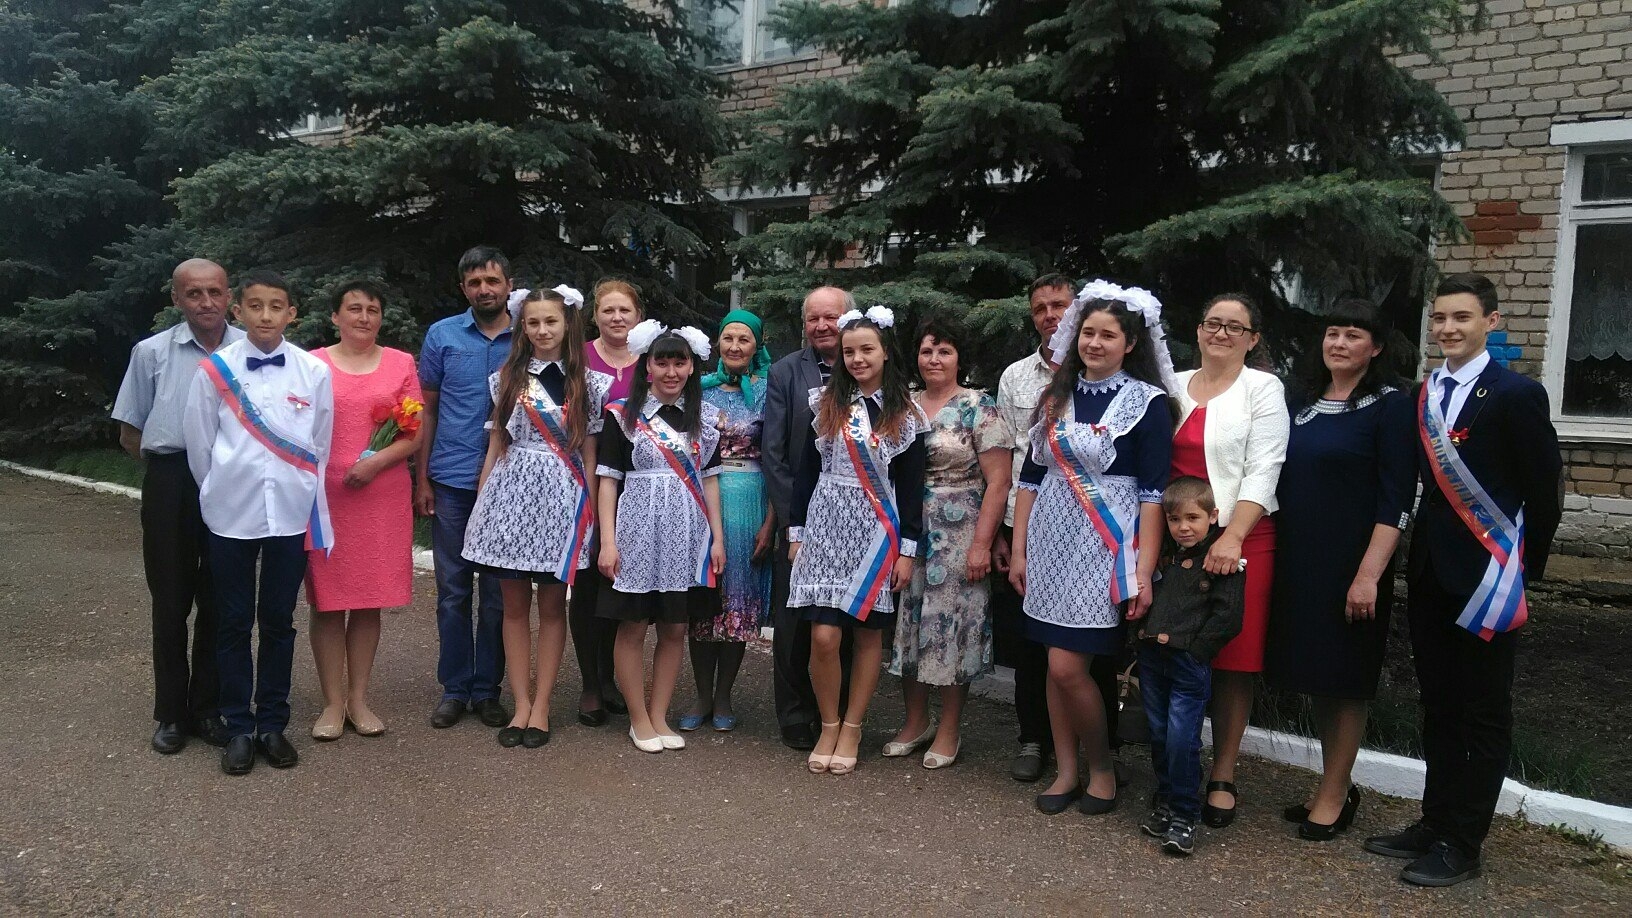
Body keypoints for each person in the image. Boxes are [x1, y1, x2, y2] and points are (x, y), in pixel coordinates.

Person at [1365, 273, 1562, 887]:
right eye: (1440, 318)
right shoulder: (1423, 394)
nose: (1448, 328)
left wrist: (1521, 572)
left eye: (1462, 317)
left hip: (1489, 580)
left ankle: (1464, 841)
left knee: (1482, 712)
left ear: (1491, 322)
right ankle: (1435, 822)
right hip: (1431, 572)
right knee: (1439, 705)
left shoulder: (1515, 394)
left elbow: (1544, 491)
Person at [1010, 280, 1175, 816]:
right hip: (1050, 539)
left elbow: (1153, 495)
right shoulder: (1054, 397)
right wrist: (1019, 550)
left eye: (1108, 335)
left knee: (1067, 667)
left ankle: (1101, 766)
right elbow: (1030, 479)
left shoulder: (1148, 404)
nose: (1095, 343)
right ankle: (1066, 770)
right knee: (1052, 662)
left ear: (1131, 343)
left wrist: (1143, 571)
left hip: (1105, 545)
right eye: (1088, 333)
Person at [1265, 298, 1415, 840]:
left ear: (1375, 348)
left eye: (1353, 335)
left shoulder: (1391, 407)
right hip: (1299, 561)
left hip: (1354, 565)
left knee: (1346, 679)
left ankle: (1334, 794)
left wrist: (1369, 575)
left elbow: (1397, 500)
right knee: (1318, 676)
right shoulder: (1302, 402)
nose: (1339, 343)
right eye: (1332, 333)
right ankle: (1333, 783)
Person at [182, 270, 334, 775]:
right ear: (238, 311)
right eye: (255, 306)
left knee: (277, 621)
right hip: (231, 515)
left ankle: (272, 723)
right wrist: (220, 491)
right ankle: (237, 727)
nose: (265, 316)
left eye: (276, 306)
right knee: (232, 622)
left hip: (289, 514)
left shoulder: (313, 372)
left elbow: (320, 442)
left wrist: (301, 491)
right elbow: (200, 446)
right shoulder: (215, 371)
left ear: (292, 313)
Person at [463, 286, 611, 749]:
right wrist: (482, 504)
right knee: (512, 607)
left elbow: (590, 453)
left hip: (564, 500)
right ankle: (521, 703)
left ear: (567, 324)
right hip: (511, 497)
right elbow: (496, 445)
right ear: (522, 328)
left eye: (551, 321)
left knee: (551, 607)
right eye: (533, 322)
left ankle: (543, 705)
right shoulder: (506, 378)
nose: (542, 330)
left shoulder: (589, 384)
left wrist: (590, 513)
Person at [788, 306, 928, 776]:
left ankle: (852, 727)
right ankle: (828, 723)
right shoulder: (825, 404)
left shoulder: (905, 415)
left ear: (886, 352)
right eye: (849, 352)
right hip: (826, 526)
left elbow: (911, 489)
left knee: (868, 634)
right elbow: (806, 472)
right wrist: (797, 533)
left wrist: (907, 550)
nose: (857, 359)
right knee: (824, 635)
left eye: (867, 349)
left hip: (877, 533)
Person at [113, 258, 245, 755]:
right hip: (172, 481)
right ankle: (171, 712)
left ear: (229, 295)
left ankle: (207, 707)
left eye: (215, 292)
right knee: (170, 600)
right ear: (176, 299)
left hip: (231, 481)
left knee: (220, 598)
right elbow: (130, 432)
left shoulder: (249, 349)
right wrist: (174, 470)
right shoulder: (151, 352)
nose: (206, 302)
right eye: (194, 293)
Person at [1170, 292, 1289, 827]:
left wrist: (1233, 536)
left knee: (1233, 659)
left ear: (1252, 338)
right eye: (1212, 323)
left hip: (1242, 536)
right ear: (1198, 331)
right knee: (1173, 647)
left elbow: (1265, 466)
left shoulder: (1262, 388)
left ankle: (1222, 773)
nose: (1221, 333)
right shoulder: (1172, 383)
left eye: (1234, 327)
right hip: (1177, 538)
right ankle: (1175, 767)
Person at [884, 318, 1010, 769]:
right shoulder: (902, 405)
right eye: (926, 351)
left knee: (955, 628)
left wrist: (982, 545)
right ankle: (916, 721)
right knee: (910, 622)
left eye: (944, 351)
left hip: (961, 535)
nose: (934, 359)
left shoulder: (980, 406)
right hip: (909, 530)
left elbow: (999, 482)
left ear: (959, 358)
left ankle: (951, 728)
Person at [596, 321, 727, 754]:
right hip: (636, 533)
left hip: (687, 535)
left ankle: (659, 715)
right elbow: (608, 481)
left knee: (675, 627)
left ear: (691, 367)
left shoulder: (705, 420)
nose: (671, 372)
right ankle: (638, 719)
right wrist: (608, 542)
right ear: (647, 366)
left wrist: (718, 539)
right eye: (662, 362)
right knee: (633, 625)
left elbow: (710, 481)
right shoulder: (622, 416)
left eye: (680, 363)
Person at [303, 281, 422, 741]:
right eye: (354, 308)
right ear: (335, 316)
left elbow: (413, 433)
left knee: (369, 600)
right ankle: (332, 703)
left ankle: (358, 698)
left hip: (381, 493)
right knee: (328, 601)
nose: (364, 317)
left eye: (373, 309)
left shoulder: (400, 363)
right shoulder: (311, 364)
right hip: (325, 499)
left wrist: (374, 463)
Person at [416, 246, 514, 731]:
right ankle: (455, 688)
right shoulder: (443, 335)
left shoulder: (529, 336)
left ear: (509, 285)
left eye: (492, 281)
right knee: (452, 591)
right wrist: (422, 478)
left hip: (508, 482)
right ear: (463, 289)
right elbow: (427, 410)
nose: (484, 290)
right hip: (452, 479)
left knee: (497, 594)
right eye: (475, 282)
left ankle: (488, 689)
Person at [993, 274, 1082, 783]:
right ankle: (1033, 737)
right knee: (1028, 639)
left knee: (1088, 639)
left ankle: (1101, 745)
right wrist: (1002, 533)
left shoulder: (1099, 368)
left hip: (1088, 524)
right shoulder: (1015, 376)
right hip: (1024, 522)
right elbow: (1006, 457)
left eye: (1059, 305)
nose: (1050, 315)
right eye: (1040, 308)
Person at [1136, 477, 1245, 857]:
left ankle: (1185, 814)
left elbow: (1228, 617)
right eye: (1175, 519)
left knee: (1182, 740)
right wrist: (1141, 636)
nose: (1183, 527)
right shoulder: (1161, 555)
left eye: (1193, 518)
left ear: (1213, 516)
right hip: (1152, 659)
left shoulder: (1222, 562)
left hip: (1188, 665)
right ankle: (1167, 799)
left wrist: (1198, 652)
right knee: (1159, 732)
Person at [763, 286, 851, 751]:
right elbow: (774, 452)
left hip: (856, 517)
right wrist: (792, 519)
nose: (821, 326)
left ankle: (837, 713)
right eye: (813, 318)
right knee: (795, 620)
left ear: (848, 319)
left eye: (830, 317)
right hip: (801, 518)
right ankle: (796, 713)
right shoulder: (785, 372)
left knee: (844, 616)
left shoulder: (866, 366)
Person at [681, 309, 775, 733]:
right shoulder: (697, 389)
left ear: (757, 346)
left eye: (744, 339)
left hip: (750, 497)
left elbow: (778, 457)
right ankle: (701, 694)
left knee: (737, 600)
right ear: (717, 343)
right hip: (701, 498)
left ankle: (724, 696)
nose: (735, 346)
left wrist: (771, 521)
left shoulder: (770, 391)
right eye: (728, 338)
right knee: (703, 600)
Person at [570, 278, 646, 725]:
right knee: (586, 585)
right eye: (608, 310)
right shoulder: (578, 357)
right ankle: (590, 683)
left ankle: (613, 677)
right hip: (583, 481)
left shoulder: (651, 361)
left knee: (621, 583)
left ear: (638, 316)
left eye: (625, 310)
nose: (617, 318)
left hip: (636, 488)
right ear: (595, 315)